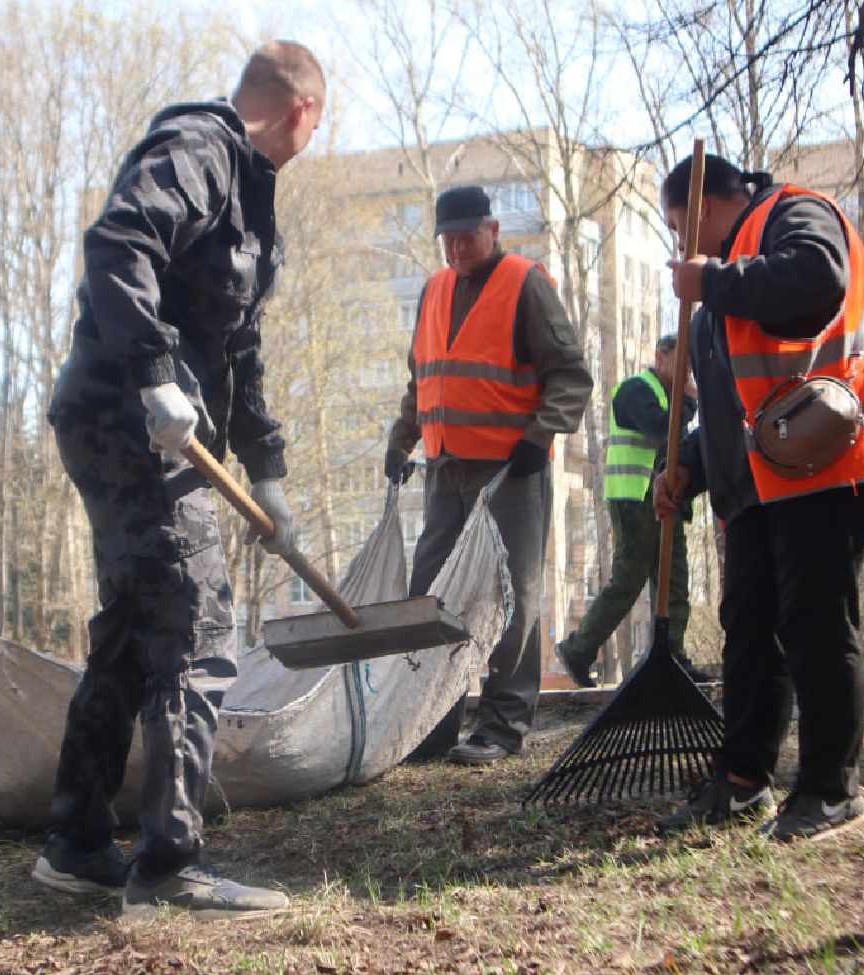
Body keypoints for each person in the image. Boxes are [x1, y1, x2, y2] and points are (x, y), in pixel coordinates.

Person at [36, 42, 325, 919]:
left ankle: (76, 843)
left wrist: (267, 470)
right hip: (131, 423)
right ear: (303, 114)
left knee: (136, 630)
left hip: (146, 424)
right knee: (198, 626)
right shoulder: (200, 150)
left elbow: (237, 343)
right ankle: (167, 867)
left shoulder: (246, 197)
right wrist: (156, 372)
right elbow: (118, 239)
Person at [653, 154, 864, 841]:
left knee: (812, 621)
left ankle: (830, 790)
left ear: (712, 203)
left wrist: (714, 280)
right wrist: (686, 471)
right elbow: (726, 408)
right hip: (762, 477)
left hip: (829, 454)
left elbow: (819, 277)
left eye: (680, 227)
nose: (680, 247)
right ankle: (742, 777)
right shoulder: (711, 305)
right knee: (747, 623)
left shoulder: (792, 212)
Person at [385, 184, 593, 766]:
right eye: (447, 238)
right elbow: (422, 379)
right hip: (445, 469)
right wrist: (401, 441)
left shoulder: (525, 284)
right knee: (430, 592)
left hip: (510, 471)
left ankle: (501, 726)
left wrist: (540, 434)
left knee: (510, 595)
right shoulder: (433, 290)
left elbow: (571, 375)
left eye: (466, 236)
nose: (456, 248)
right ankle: (430, 726)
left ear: (492, 229)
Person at [556, 334, 705, 687]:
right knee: (629, 579)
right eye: (680, 365)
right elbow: (659, 430)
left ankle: (674, 658)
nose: (685, 375)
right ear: (660, 357)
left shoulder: (674, 396)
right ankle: (579, 649)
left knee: (674, 581)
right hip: (634, 497)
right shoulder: (635, 389)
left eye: (690, 369)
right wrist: (688, 403)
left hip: (668, 500)